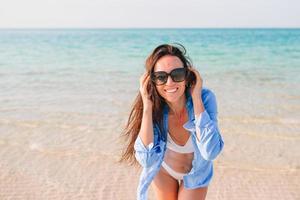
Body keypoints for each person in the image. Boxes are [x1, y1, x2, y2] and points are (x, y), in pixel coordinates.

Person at [120, 43, 224, 200]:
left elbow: (211, 152)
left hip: (196, 172)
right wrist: (147, 106)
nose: (169, 83)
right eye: (161, 77)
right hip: (163, 170)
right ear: (152, 81)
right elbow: (147, 160)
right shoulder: (154, 107)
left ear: (187, 76)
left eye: (177, 74)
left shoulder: (205, 97)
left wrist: (196, 98)